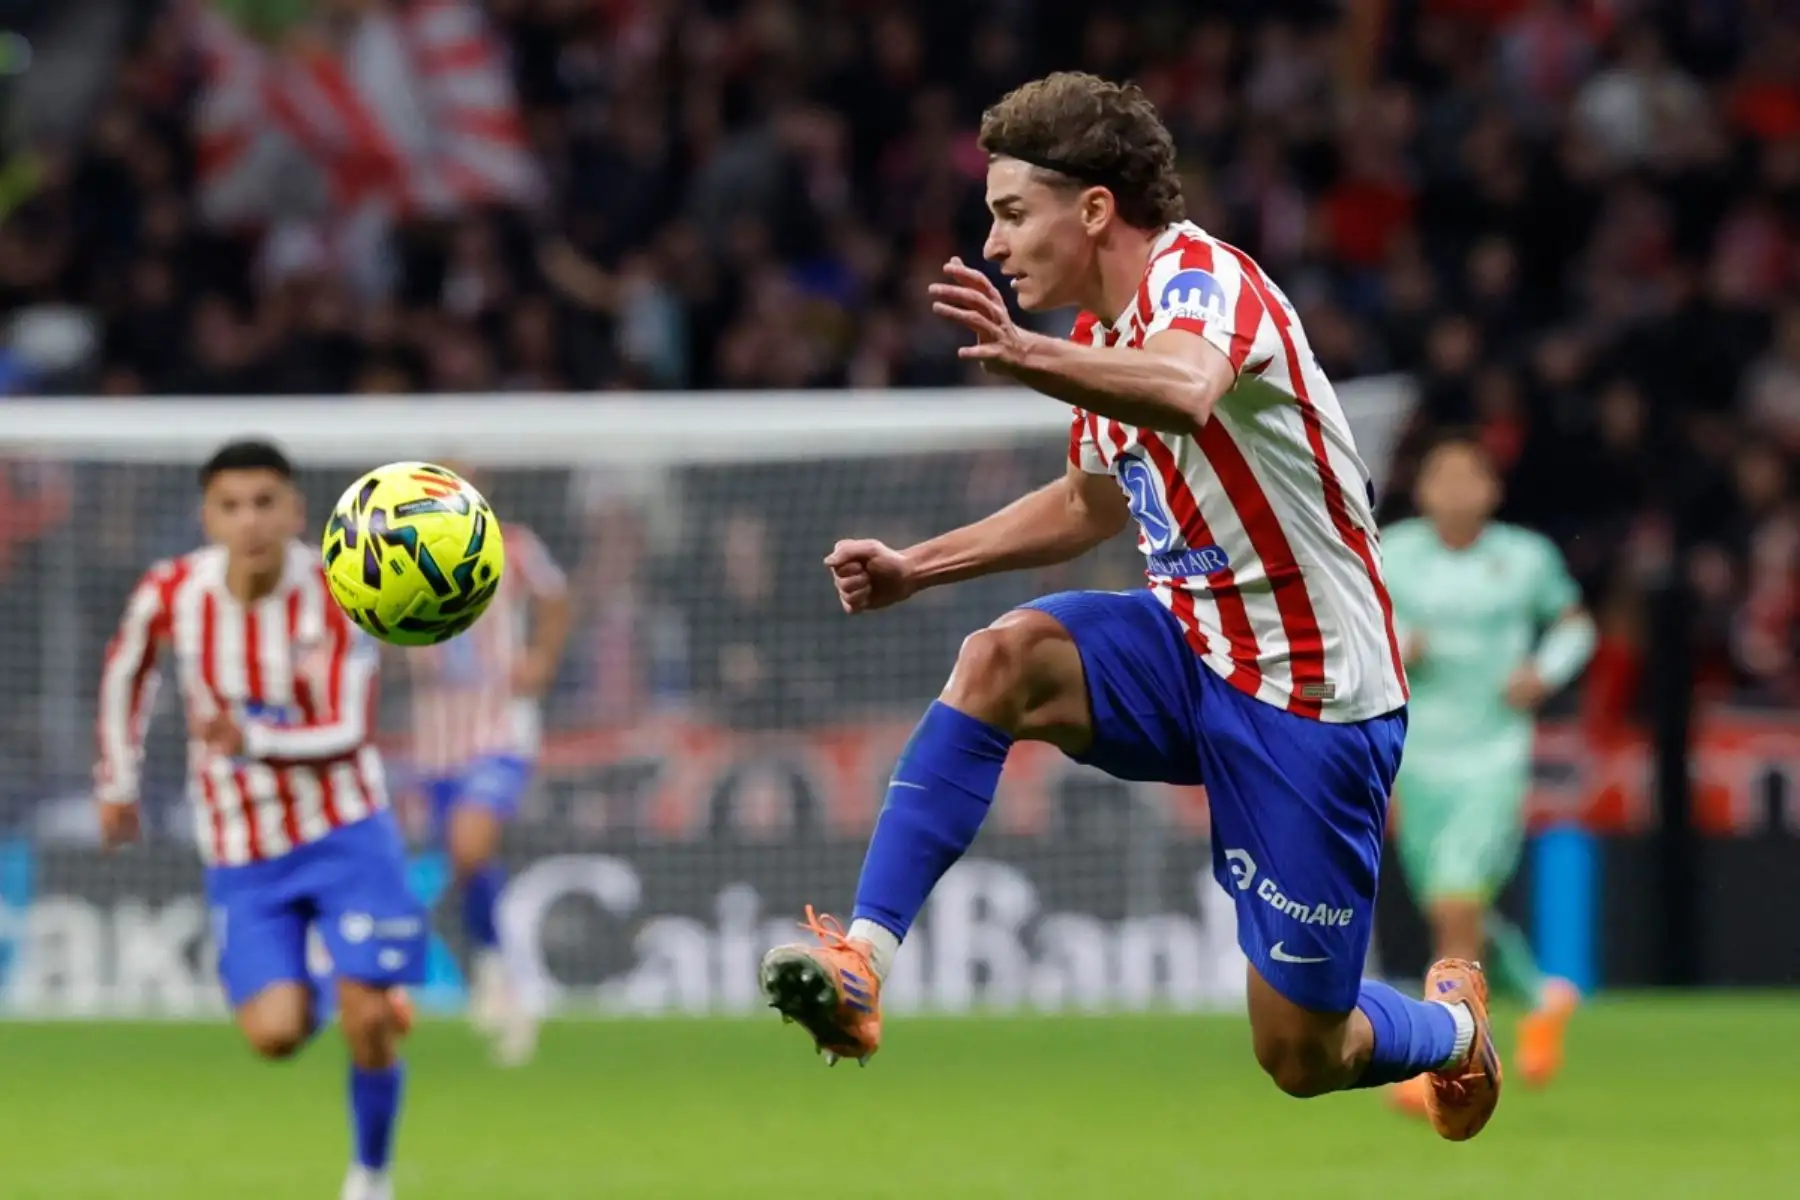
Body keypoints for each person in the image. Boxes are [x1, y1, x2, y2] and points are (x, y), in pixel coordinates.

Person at [758, 72, 1501, 1142]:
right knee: (1000, 659)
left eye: (1013, 212)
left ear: (1095, 208)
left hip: (1309, 700)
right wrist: (921, 566)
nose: (996, 245)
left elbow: (1189, 388)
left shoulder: (1205, 282)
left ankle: (1452, 1033)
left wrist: (1023, 354)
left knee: (1300, 1053)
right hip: (1188, 645)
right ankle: (864, 962)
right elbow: (1085, 503)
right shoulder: (1103, 342)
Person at [95, 440, 423, 1200]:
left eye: (265, 502)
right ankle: (333, 974)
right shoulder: (172, 591)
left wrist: (255, 740)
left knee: (368, 1020)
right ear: (206, 515)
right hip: (242, 847)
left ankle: (370, 1176)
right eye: (231, 505)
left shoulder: (345, 590)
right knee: (273, 1036)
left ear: (296, 510)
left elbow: (350, 730)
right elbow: (124, 671)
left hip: (347, 829)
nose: (250, 521)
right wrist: (118, 780)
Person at [1377, 433, 1594, 1114]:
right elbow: (1358, 625)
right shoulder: (1395, 553)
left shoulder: (1524, 558)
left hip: (1493, 752)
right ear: (1424, 489)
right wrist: (1394, 643)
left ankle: (1445, 1062)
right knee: (1450, 905)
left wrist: (1545, 670)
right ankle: (1545, 995)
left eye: (1470, 477)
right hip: (1419, 752)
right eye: (1443, 476)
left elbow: (1575, 625)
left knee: (1457, 905)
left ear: (1492, 491)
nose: (1456, 490)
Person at [403, 463, 570, 1065]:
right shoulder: (398, 553)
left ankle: (506, 977)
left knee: (471, 847)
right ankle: (497, 973)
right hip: (436, 738)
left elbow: (557, 596)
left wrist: (542, 659)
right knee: (464, 862)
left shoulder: (514, 546)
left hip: (500, 728)